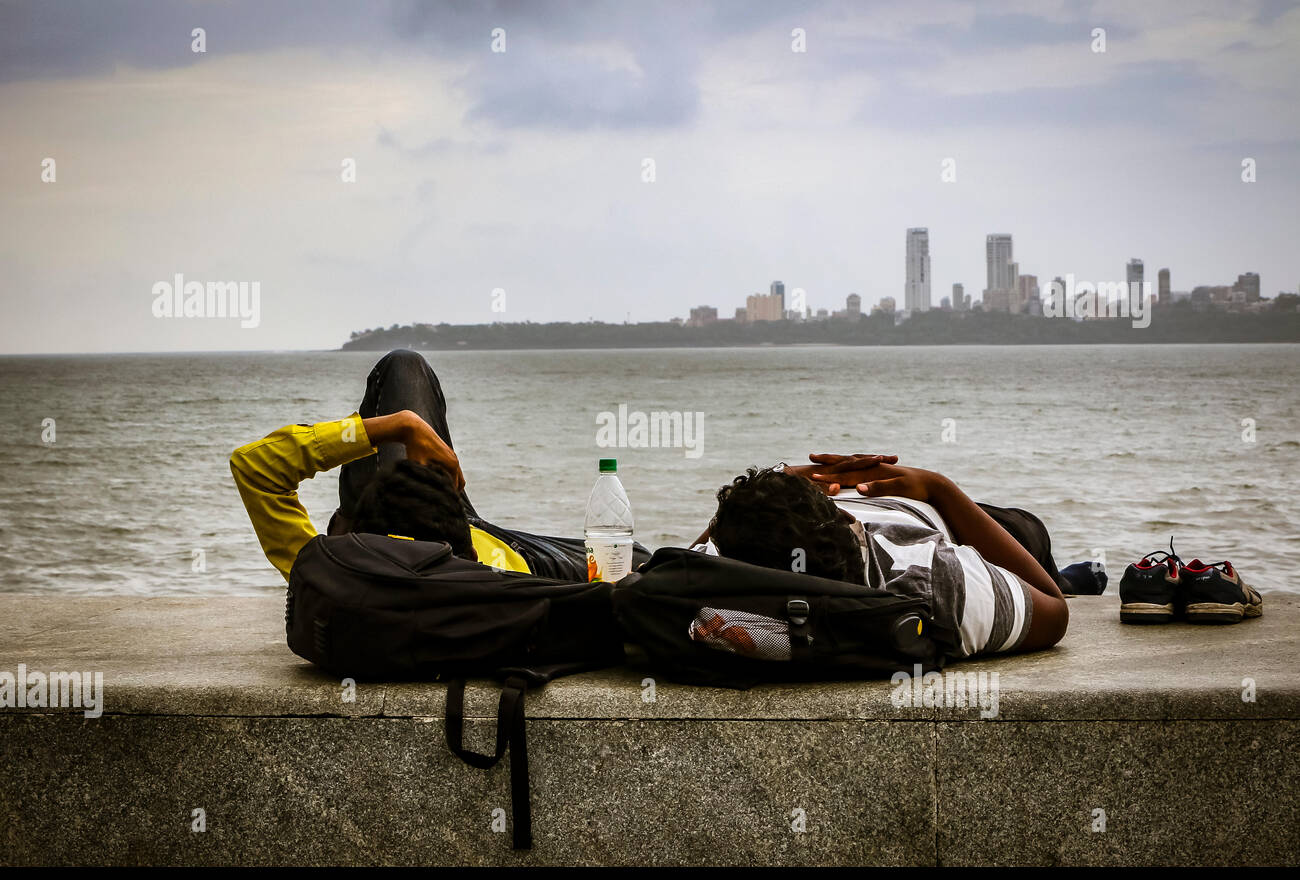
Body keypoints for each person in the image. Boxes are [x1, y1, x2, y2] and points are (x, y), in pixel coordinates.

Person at [230, 349, 650, 583]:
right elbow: (254, 468)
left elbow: (255, 468)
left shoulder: (329, 577)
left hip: (444, 533)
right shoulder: (500, 589)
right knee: (643, 562)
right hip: (491, 554)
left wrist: (399, 427)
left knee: (403, 367)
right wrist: (401, 426)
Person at [692, 455, 1071, 658]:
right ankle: (1077, 578)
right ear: (847, 516)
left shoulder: (710, 589)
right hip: (933, 519)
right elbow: (1053, 608)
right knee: (1028, 530)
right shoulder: (938, 579)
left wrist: (790, 477)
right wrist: (939, 488)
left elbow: (697, 546)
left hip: (890, 512)